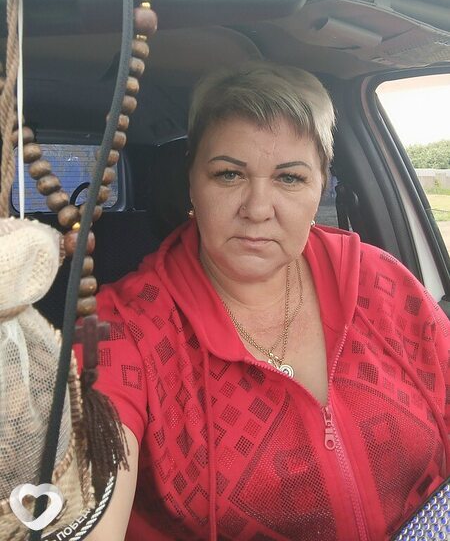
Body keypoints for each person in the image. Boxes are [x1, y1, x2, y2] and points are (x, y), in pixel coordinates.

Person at [75, 61, 450, 541]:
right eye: (229, 174)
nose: (256, 209)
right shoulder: (119, 325)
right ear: (191, 182)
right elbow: (91, 496)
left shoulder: (381, 280)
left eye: (289, 179)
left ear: (322, 185)